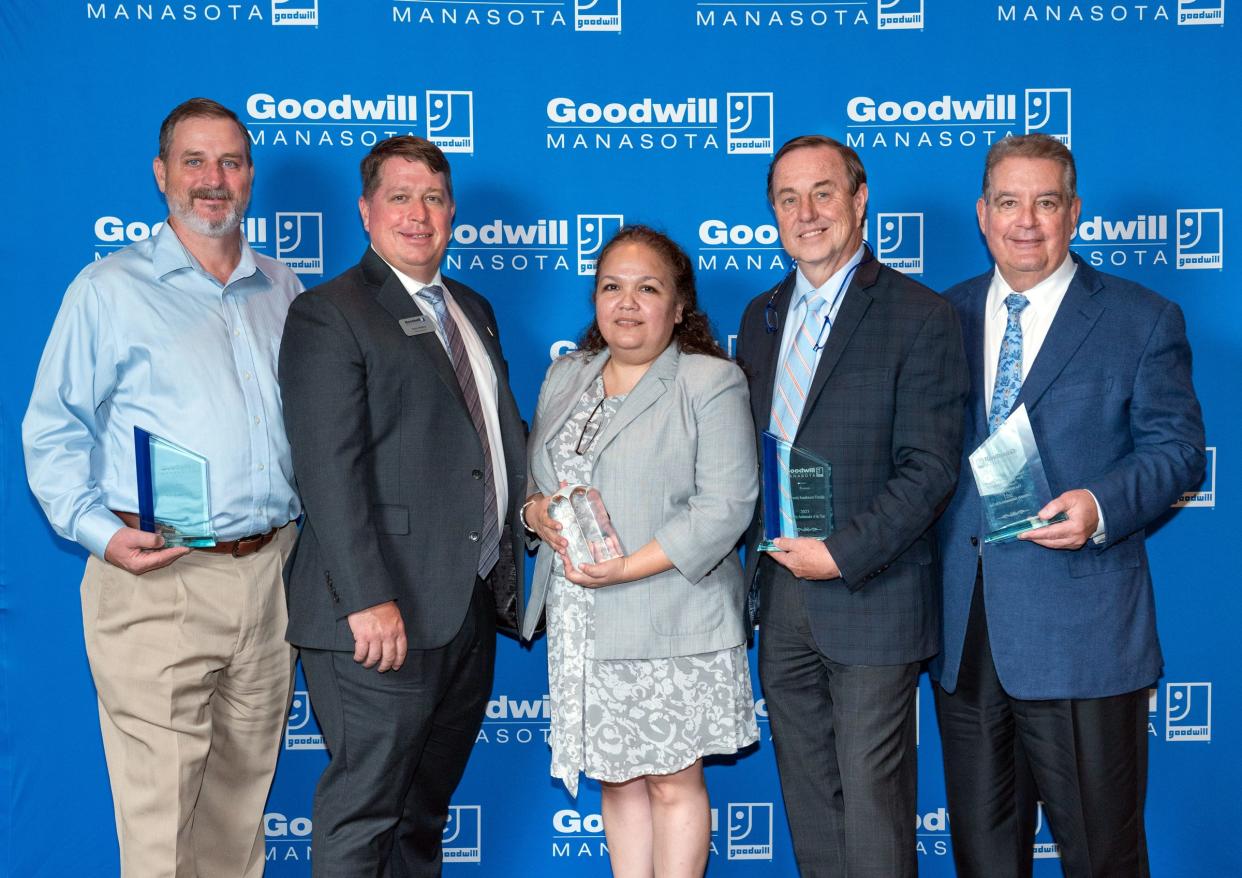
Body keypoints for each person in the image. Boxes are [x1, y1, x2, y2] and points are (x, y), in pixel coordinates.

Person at [22, 98, 303, 876]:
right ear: (161, 174)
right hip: (158, 579)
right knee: (156, 829)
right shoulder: (109, 289)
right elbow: (52, 429)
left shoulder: (287, 289)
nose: (214, 181)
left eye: (231, 163)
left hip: (269, 577)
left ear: (250, 176)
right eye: (194, 162)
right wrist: (99, 532)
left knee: (237, 824)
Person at [933, 134, 1205, 878]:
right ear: (983, 214)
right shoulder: (938, 317)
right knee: (984, 859)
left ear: (1074, 212)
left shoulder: (1141, 318)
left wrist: (1097, 502)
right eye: (1010, 202)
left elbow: (1178, 449)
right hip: (964, 634)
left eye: (1046, 202)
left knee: (1101, 857)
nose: (1027, 222)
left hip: (1083, 638)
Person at [279, 135, 527, 876]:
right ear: (365, 211)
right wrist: (367, 597)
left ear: (452, 212)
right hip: (377, 618)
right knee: (364, 816)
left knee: (420, 818)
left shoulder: (472, 308)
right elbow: (329, 470)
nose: (417, 214)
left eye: (433, 198)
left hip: (464, 608)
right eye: (399, 197)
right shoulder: (331, 313)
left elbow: (483, 449)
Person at [734, 135, 969, 878]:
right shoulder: (759, 314)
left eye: (823, 192)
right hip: (782, 595)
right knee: (809, 798)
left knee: (873, 804)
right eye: (787, 198)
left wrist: (840, 553)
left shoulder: (919, 314)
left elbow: (929, 468)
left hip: (872, 592)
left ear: (860, 199)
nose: (807, 213)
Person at [521, 225, 759, 878]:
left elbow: (727, 507)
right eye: (611, 287)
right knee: (618, 782)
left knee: (671, 784)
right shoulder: (566, 375)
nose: (627, 303)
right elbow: (535, 482)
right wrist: (533, 512)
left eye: (647, 288)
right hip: (580, 619)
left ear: (679, 306)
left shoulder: (710, 382)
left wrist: (625, 567)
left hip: (672, 616)